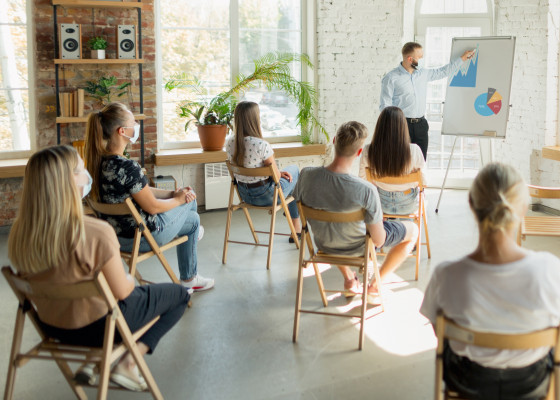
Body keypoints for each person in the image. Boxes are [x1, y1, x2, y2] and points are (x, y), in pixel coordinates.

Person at [8, 145, 190, 392]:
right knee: (179, 295)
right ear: (67, 182)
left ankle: (92, 362)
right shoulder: (94, 232)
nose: (87, 175)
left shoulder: (20, 234)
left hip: (53, 327)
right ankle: (126, 362)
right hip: (100, 329)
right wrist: (127, 278)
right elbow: (124, 292)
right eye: (81, 169)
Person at [419, 163, 560, 400]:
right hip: (530, 380)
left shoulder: (446, 274)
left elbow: (440, 333)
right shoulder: (549, 268)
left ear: (471, 203)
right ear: (522, 209)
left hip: (468, 380)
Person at [84, 102, 214, 291]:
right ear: (122, 131)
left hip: (115, 237)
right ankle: (189, 277)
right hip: (142, 236)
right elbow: (152, 207)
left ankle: (192, 243)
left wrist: (172, 193)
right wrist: (179, 198)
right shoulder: (128, 167)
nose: (136, 125)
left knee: (188, 206)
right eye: (132, 122)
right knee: (192, 214)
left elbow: (142, 190)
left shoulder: (98, 163)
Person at [294, 121, 419, 303]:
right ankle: (375, 286)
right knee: (413, 230)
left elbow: (296, 207)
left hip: (324, 246)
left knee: (336, 231)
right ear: (359, 152)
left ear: (335, 141)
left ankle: (349, 280)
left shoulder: (306, 175)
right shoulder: (366, 190)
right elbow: (378, 240)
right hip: (358, 249)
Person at [379, 42, 475, 159]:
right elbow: (385, 105)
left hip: (421, 125)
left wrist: (462, 59)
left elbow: (443, 71)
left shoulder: (423, 73)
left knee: (420, 161)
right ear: (410, 59)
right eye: (420, 57)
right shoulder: (391, 78)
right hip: (401, 125)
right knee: (401, 161)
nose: (423, 60)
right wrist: (390, 127)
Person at [225, 101, 301, 237]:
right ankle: (295, 226)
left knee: (288, 177)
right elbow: (276, 178)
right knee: (295, 171)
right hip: (268, 197)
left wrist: (278, 173)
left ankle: (293, 219)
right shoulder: (261, 145)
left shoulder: (230, 142)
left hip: (245, 196)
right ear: (254, 119)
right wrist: (278, 173)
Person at [358, 106, 426, 215]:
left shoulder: (368, 150)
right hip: (408, 205)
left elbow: (363, 179)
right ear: (403, 127)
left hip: (380, 204)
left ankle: (387, 224)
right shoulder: (414, 150)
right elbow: (424, 182)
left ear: (380, 127)